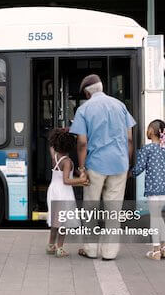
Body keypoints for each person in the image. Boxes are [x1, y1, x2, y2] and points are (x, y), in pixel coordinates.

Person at [69, 74, 136, 260]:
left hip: (95, 165)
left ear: (87, 93)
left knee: (90, 208)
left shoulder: (83, 110)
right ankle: (109, 252)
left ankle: (90, 250)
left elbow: (82, 143)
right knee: (113, 210)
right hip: (120, 164)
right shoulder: (120, 106)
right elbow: (129, 139)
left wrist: (81, 168)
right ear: (101, 88)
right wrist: (128, 164)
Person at [131, 119, 165, 260]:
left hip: (153, 190)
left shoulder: (147, 149)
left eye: (149, 128)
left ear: (152, 131)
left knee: (154, 218)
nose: (147, 130)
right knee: (159, 217)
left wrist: (129, 174)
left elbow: (139, 168)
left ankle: (156, 250)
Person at [46, 128, 90, 258]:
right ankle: (59, 248)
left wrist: (62, 131)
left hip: (53, 190)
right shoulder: (67, 162)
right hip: (63, 193)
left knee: (55, 221)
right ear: (70, 146)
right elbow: (66, 180)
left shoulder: (54, 155)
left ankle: (50, 245)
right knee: (63, 222)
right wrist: (81, 180)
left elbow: (51, 145)